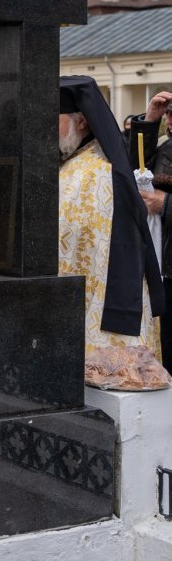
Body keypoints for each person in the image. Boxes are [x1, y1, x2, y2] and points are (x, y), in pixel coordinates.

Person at [59, 75, 163, 361]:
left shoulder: (97, 171)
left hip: (102, 303)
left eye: (55, 120)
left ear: (82, 122)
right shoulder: (72, 164)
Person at [128, 90, 172, 372]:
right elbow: (134, 167)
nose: (169, 119)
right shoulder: (168, 148)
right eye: (169, 114)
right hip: (164, 267)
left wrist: (166, 204)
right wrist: (149, 120)